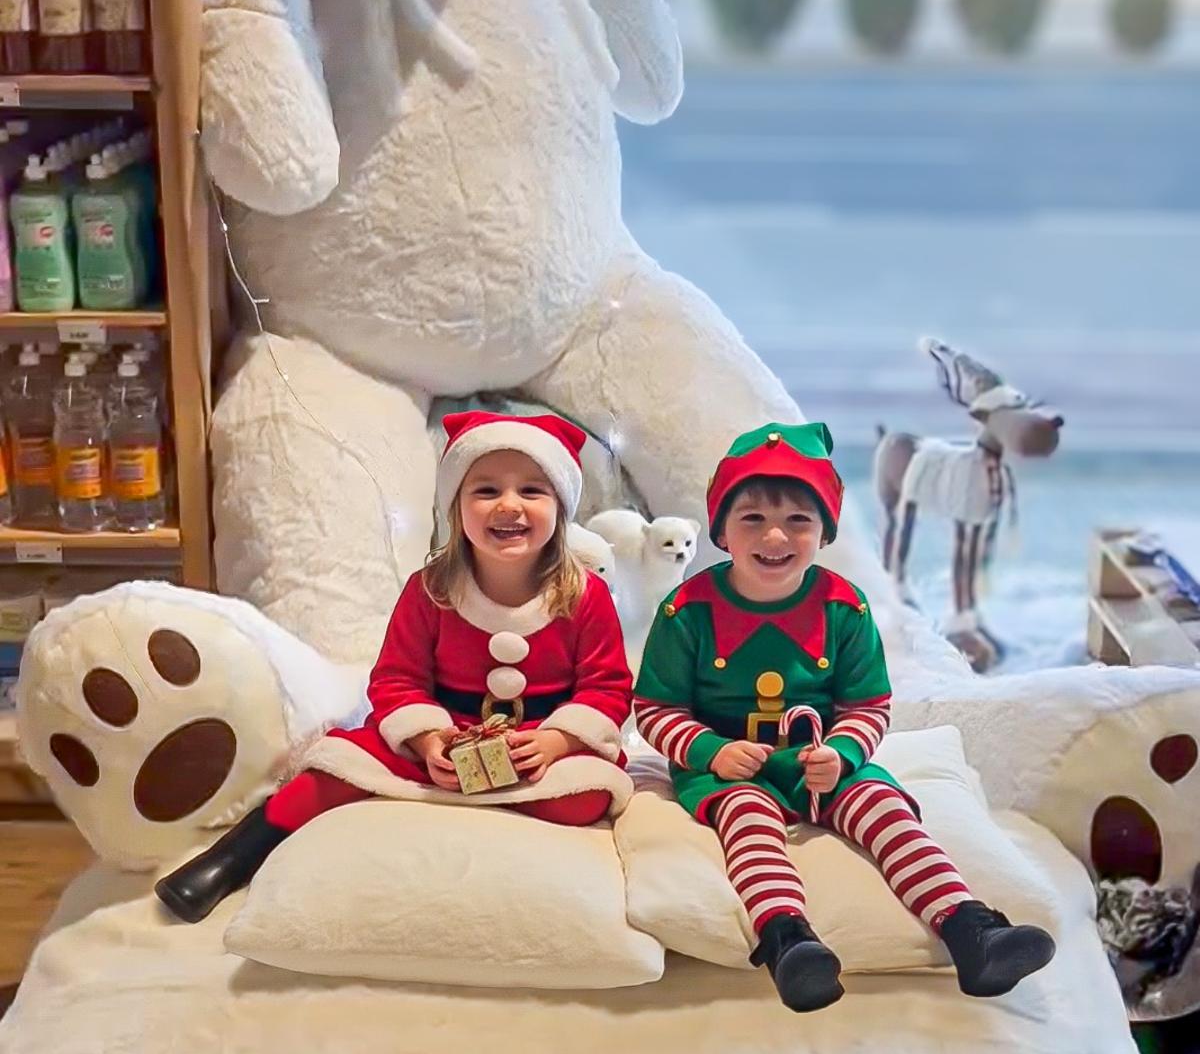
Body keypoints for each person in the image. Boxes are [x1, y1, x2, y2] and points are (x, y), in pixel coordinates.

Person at [633, 421, 1056, 1013]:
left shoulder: (844, 606)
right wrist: (708, 752)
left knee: (884, 809)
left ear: (825, 532)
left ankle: (971, 929)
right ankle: (789, 942)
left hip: (821, 764)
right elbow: (655, 708)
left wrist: (845, 752)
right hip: (732, 769)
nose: (775, 535)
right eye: (752, 518)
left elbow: (868, 704)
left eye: (799, 521)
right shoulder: (687, 610)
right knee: (750, 823)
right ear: (722, 530)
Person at [157, 411, 632, 923]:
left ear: (560, 507)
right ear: (456, 508)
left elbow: (607, 688)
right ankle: (231, 860)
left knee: (582, 798)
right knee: (332, 769)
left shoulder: (586, 595)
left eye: (532, 491)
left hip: (536, 745)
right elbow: (397, 680)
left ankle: (486, 847)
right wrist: (428, 740)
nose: (509, 506)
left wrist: (557, 742)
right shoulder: (430, 590)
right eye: (486, 490)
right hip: (446, 734)